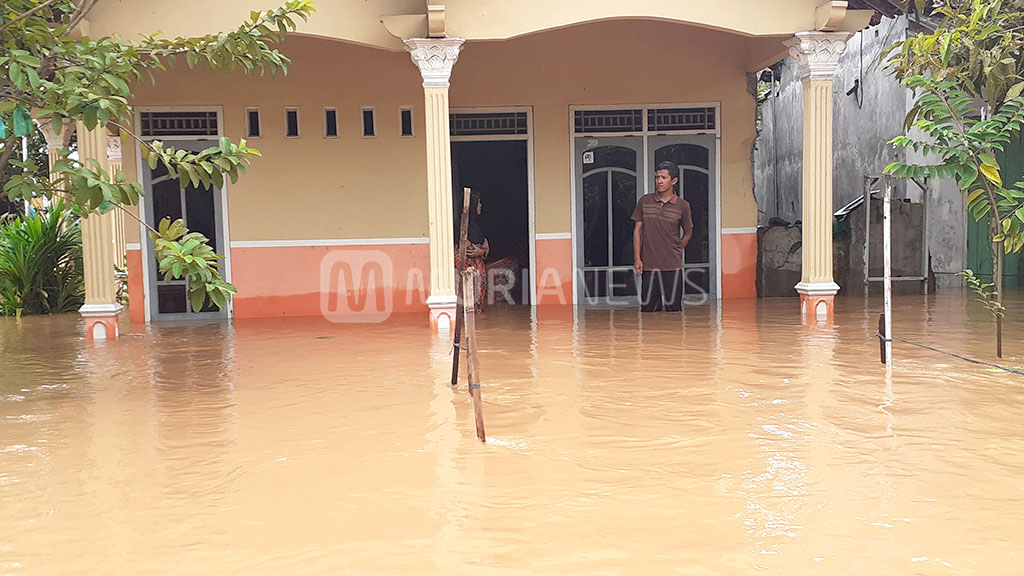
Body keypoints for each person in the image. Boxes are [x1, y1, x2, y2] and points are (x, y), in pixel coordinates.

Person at [631, 161, 693, 312]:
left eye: (663, 177)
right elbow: (637, 230)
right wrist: (637, 258)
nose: (659, 181)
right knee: (648, 311)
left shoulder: (682, 205)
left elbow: (688, 231)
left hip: (672, 265)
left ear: (674, 181)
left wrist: (678, 248)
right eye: (657, 177)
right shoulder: (645, 201)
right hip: (649, 265)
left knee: (674, 311)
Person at [455, 190, 489, 311]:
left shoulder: (477, 225)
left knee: (477, 303)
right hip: (467, 272)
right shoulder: (459, 226)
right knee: (467, 303)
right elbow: (461, 249)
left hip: (479, 271)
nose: (481, 205)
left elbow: (485, 245)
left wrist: (482, 251)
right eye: (478, 203)